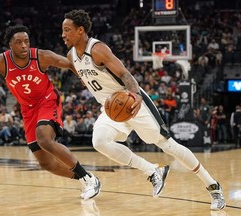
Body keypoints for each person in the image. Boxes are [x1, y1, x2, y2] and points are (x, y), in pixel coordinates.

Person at [61, 9, 225, 210]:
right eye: (63, 30)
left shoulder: (97, 49)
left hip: (131, 100)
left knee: (167, 145)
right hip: (112, 108)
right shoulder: (71, 55)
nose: (63, 34)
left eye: (67, 30)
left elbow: (126, 75)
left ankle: (213, 186)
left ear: (80, 30)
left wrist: (136, 96)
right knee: (99, 141)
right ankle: (152, 171)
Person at [0, 24, 100, 200]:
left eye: (26, 41)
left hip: (47, 100)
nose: (23, 46)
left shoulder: (40, 56)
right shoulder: (1, 62)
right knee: (46, 163)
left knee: (44, 138)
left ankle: (87, 179)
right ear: (10, 45)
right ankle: (87, 177)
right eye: (18, 42)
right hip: (27, 109)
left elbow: (69, 63)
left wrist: (82, 76)